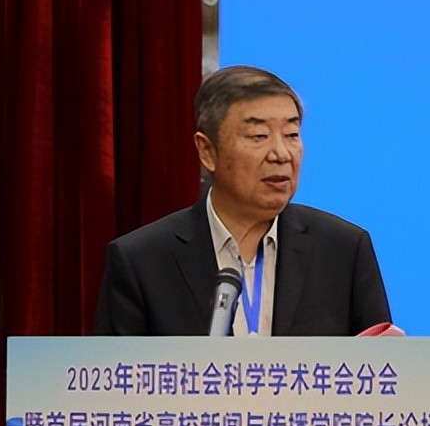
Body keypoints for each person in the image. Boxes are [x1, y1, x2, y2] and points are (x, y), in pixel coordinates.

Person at [94, 65, 391, 336]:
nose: (281, 154)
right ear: (207, 151)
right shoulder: (141, 261)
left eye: (291, 134)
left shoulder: (344, 251)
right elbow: (116, 375)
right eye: (258, 135)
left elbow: (383, 370)